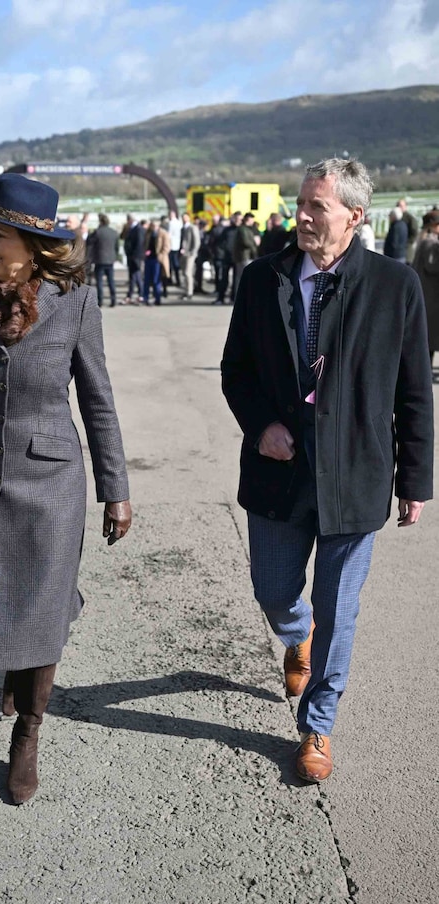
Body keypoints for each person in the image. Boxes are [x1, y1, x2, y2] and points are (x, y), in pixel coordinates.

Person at [0, 173, 131, 804]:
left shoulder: (76, 301)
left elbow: (98, 399)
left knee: (36, 604)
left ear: (32, 245)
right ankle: (15, 650)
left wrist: (115, 488)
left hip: (52, 477)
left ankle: (28, 732)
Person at [221, 158, 433, 783]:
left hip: (358, 473)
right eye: (301, 204)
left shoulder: (396, 286)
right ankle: (297, 632)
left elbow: (415, 390)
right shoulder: (263, 279)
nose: (302, 216)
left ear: (354, 216)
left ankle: (318, 725)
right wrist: (262, 426)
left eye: (317, 206)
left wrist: (415, 480)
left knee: (342, 606)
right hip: (279, 471)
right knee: (274, 590)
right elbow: (236, 371)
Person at [411, 210, 439, 372]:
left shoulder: (424, 241)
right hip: (431, 296)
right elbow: (432, 266)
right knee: (430, 337)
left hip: (427, 294)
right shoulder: (431, 244)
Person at [87, 213, 119, 307]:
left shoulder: (97, 232)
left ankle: (100, 300)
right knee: (111, 281)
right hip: (110, 260)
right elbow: (116, 247)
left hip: (100, 260)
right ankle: (113, 300)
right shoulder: (114, 232)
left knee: (100, 282)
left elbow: (90, 242)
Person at [143, 219, 170, 305]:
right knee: (146, 279)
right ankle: (145, 297)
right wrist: (145, 252)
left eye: (154, 226)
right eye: (152, 225)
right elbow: (145, 244)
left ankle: (157, 298)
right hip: (148, 258)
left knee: (156, 280)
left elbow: (167, 247)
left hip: (157, 259)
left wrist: (161, 256)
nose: (153, 227)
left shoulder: (163, 233)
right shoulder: (148, 233)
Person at [122, 214, 145, 304]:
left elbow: (139, 244)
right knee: (133, 276)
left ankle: (141, 294)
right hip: (131, 256)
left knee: (137, 275)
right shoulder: (132, 228)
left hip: (135, 257)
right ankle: (131, 294)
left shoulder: (138, 229)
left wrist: (135, 256)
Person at [179, 213, 200, 300]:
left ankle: (189, 292)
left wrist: (193, 252)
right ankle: (185, 291)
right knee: (184, 273)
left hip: (190, 254)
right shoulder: (182, 228)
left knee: (188, 273)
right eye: (183, 217)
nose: (184, 219)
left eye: (185, 217)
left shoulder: (192, 228)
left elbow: (197, 241)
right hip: (183, 254)